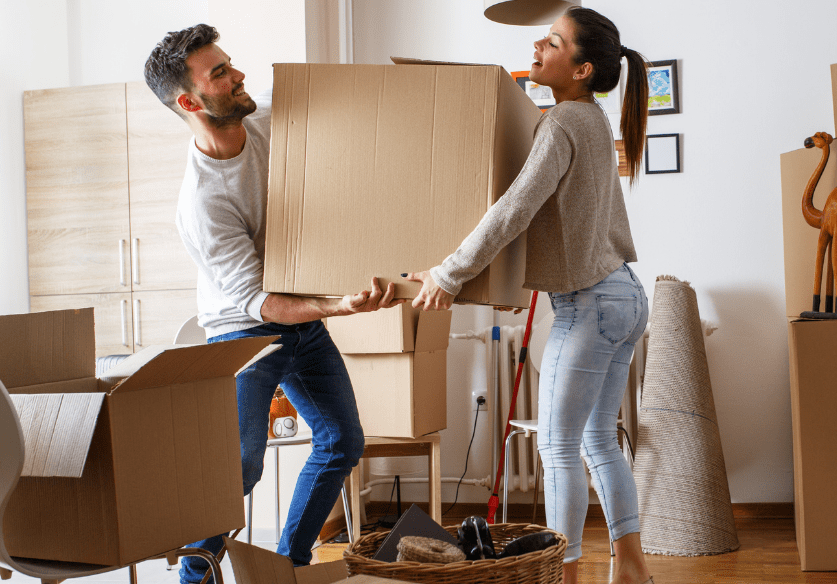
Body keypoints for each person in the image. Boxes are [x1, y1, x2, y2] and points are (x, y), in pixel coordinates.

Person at [144, 24, 401, 584]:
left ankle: (286, 566)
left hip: (300, 326)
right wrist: (340, 305)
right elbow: (259, 302)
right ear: (189, 102)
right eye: (220, 73)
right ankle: (195, 578)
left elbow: (333, 107)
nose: (238, 75)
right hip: (244, 334)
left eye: (230, 64)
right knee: (239, 465)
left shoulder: (264, 125)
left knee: (342, 441)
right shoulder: (204, 202)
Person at [406, 7, 654, 584]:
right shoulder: (589, 119)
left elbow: (514, 210)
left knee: (560, 447)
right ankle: (633, 568)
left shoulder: (564, 122)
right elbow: (558, 222)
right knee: (597, 439)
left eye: (553, 42)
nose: (538, 48)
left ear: (582, 67)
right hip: (623, 296)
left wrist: (449, 273)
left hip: (591, 304)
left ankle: (564, 577)